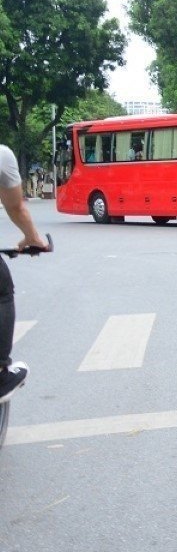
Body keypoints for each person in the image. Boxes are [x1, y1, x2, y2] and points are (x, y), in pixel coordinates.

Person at [0, 145, 49, 403]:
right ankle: (0, 373)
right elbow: (16, 207)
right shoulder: (2, 155)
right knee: (2, 291)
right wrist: (32, 238)